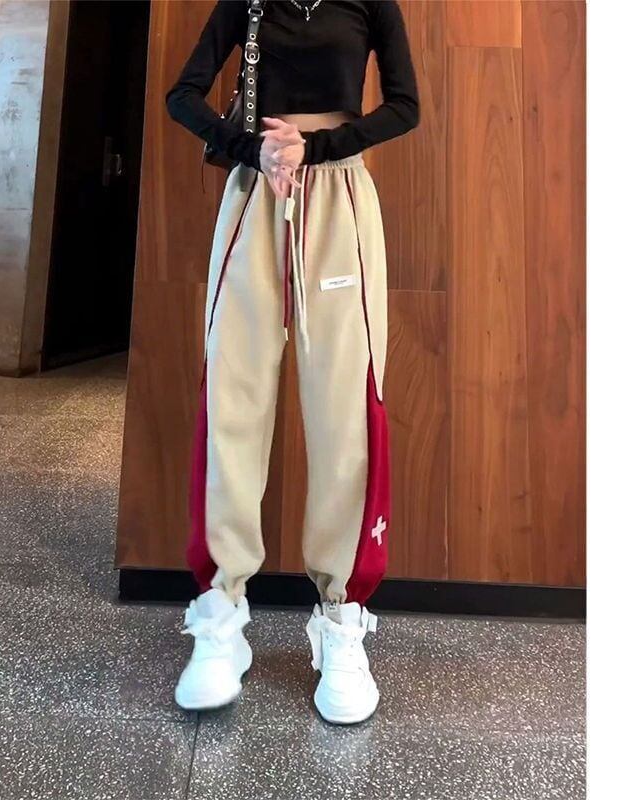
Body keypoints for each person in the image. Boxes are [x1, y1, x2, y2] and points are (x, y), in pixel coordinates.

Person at [164, 0, 418, 724]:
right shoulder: (247, 1)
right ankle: (220, 613)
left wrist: (321, 147)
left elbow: (405, 107)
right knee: (233, 392)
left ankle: (341, 619)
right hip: (255, 192)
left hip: (339, 196)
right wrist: (257, 151)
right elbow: (184, 95)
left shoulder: (370, 2)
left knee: (345, 405)